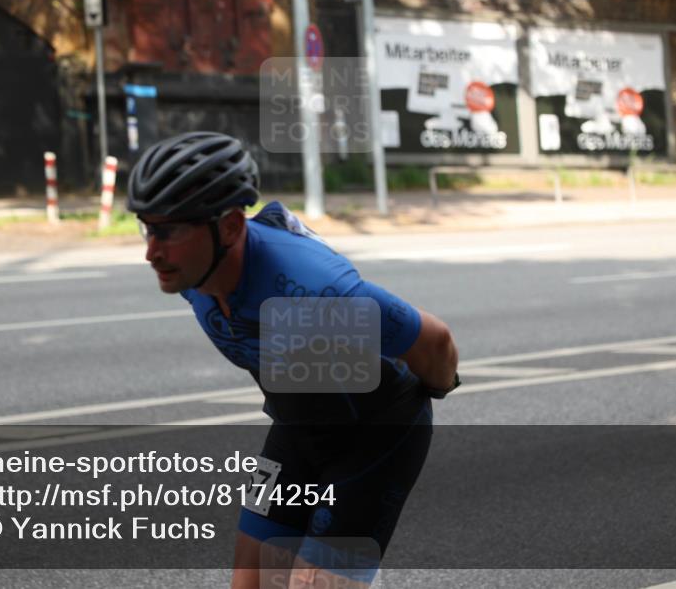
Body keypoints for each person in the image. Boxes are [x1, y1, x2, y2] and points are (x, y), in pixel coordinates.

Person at [127, 131, 460, 588]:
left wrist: (434, 387)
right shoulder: (190, 272)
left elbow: (436, 342)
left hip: (377, 437)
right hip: (296, 428)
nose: (152, 252)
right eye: (147, 227)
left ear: (228, 227)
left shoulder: (312, 287)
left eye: (170, 231)